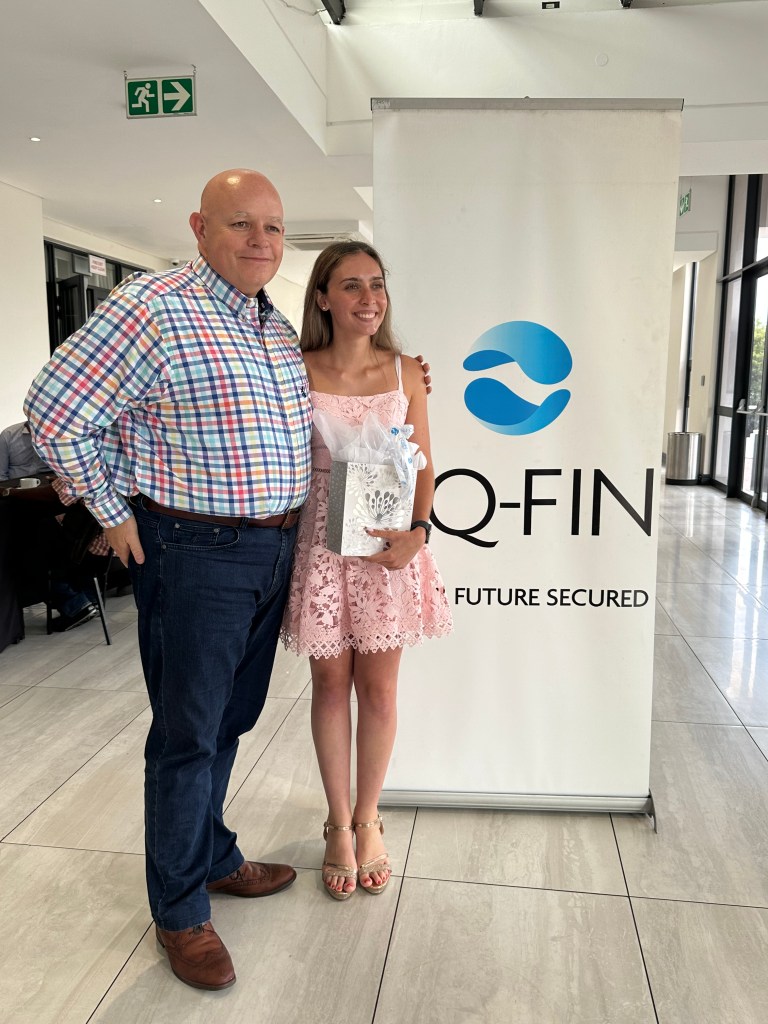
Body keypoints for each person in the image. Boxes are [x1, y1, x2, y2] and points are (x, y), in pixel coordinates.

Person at [25, 169, 430, 991]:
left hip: (275, 549)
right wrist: (110, 508)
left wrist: (398, 372)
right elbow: (53, 408)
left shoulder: (268, 324)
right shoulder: (154, 306)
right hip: (194, 552)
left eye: (274, 228)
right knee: (187, 734)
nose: (261, 241)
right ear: (200, 227)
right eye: (242, 224)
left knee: (228, 720)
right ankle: (180, 912)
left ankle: (210, 856)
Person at [281, 242, 452, 900]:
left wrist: (418, 532)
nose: (368, 298)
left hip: (388, 549)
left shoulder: (407, 371)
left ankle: (369, 817)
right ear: (323, 298)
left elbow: (425, 463)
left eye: (376, 284)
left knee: (379, 691)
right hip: (323, 546)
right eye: (351, 285)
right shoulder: (294, 368)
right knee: (330, 686)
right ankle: (337, 824)